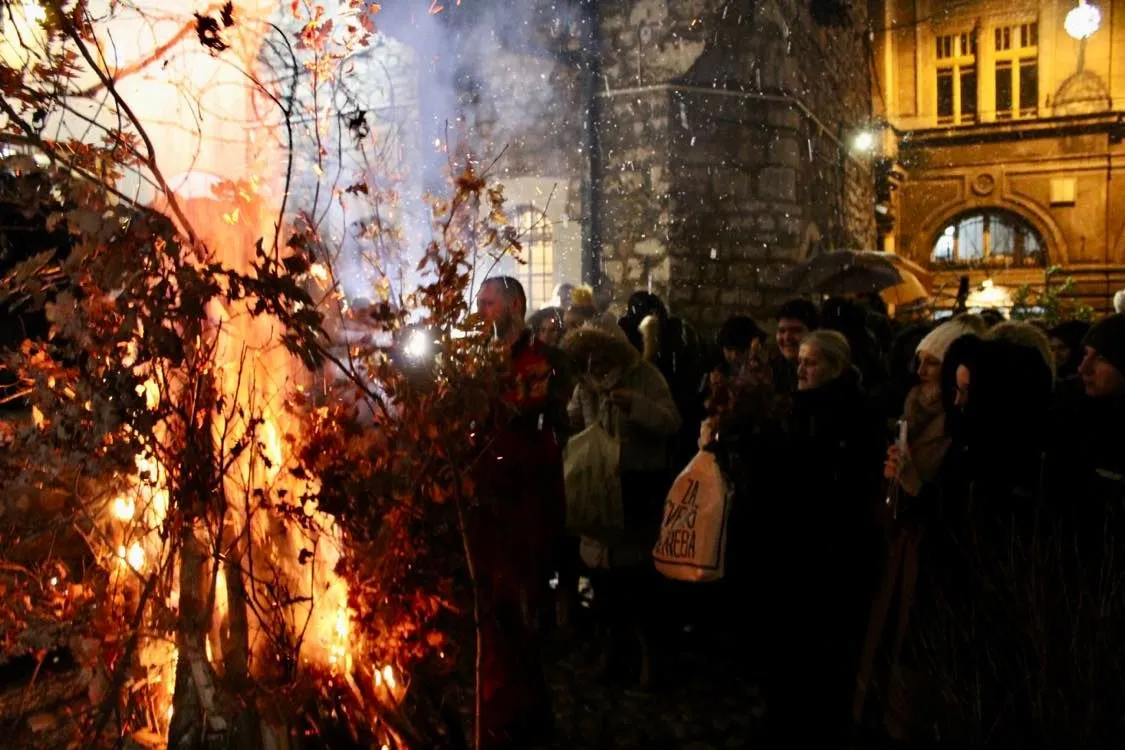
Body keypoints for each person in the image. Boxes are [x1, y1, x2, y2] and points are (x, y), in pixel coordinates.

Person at [473, 276, 569, 747]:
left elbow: (533, 416)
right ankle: (497, 704)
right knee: (493, 607)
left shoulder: (542, 360)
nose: (482, 312)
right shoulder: (480, 359)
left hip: (528, 499)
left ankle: (527, 715)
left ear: (515, 304)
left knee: (522, 608)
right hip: (490, 499)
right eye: (479, 303)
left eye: (489, 303)